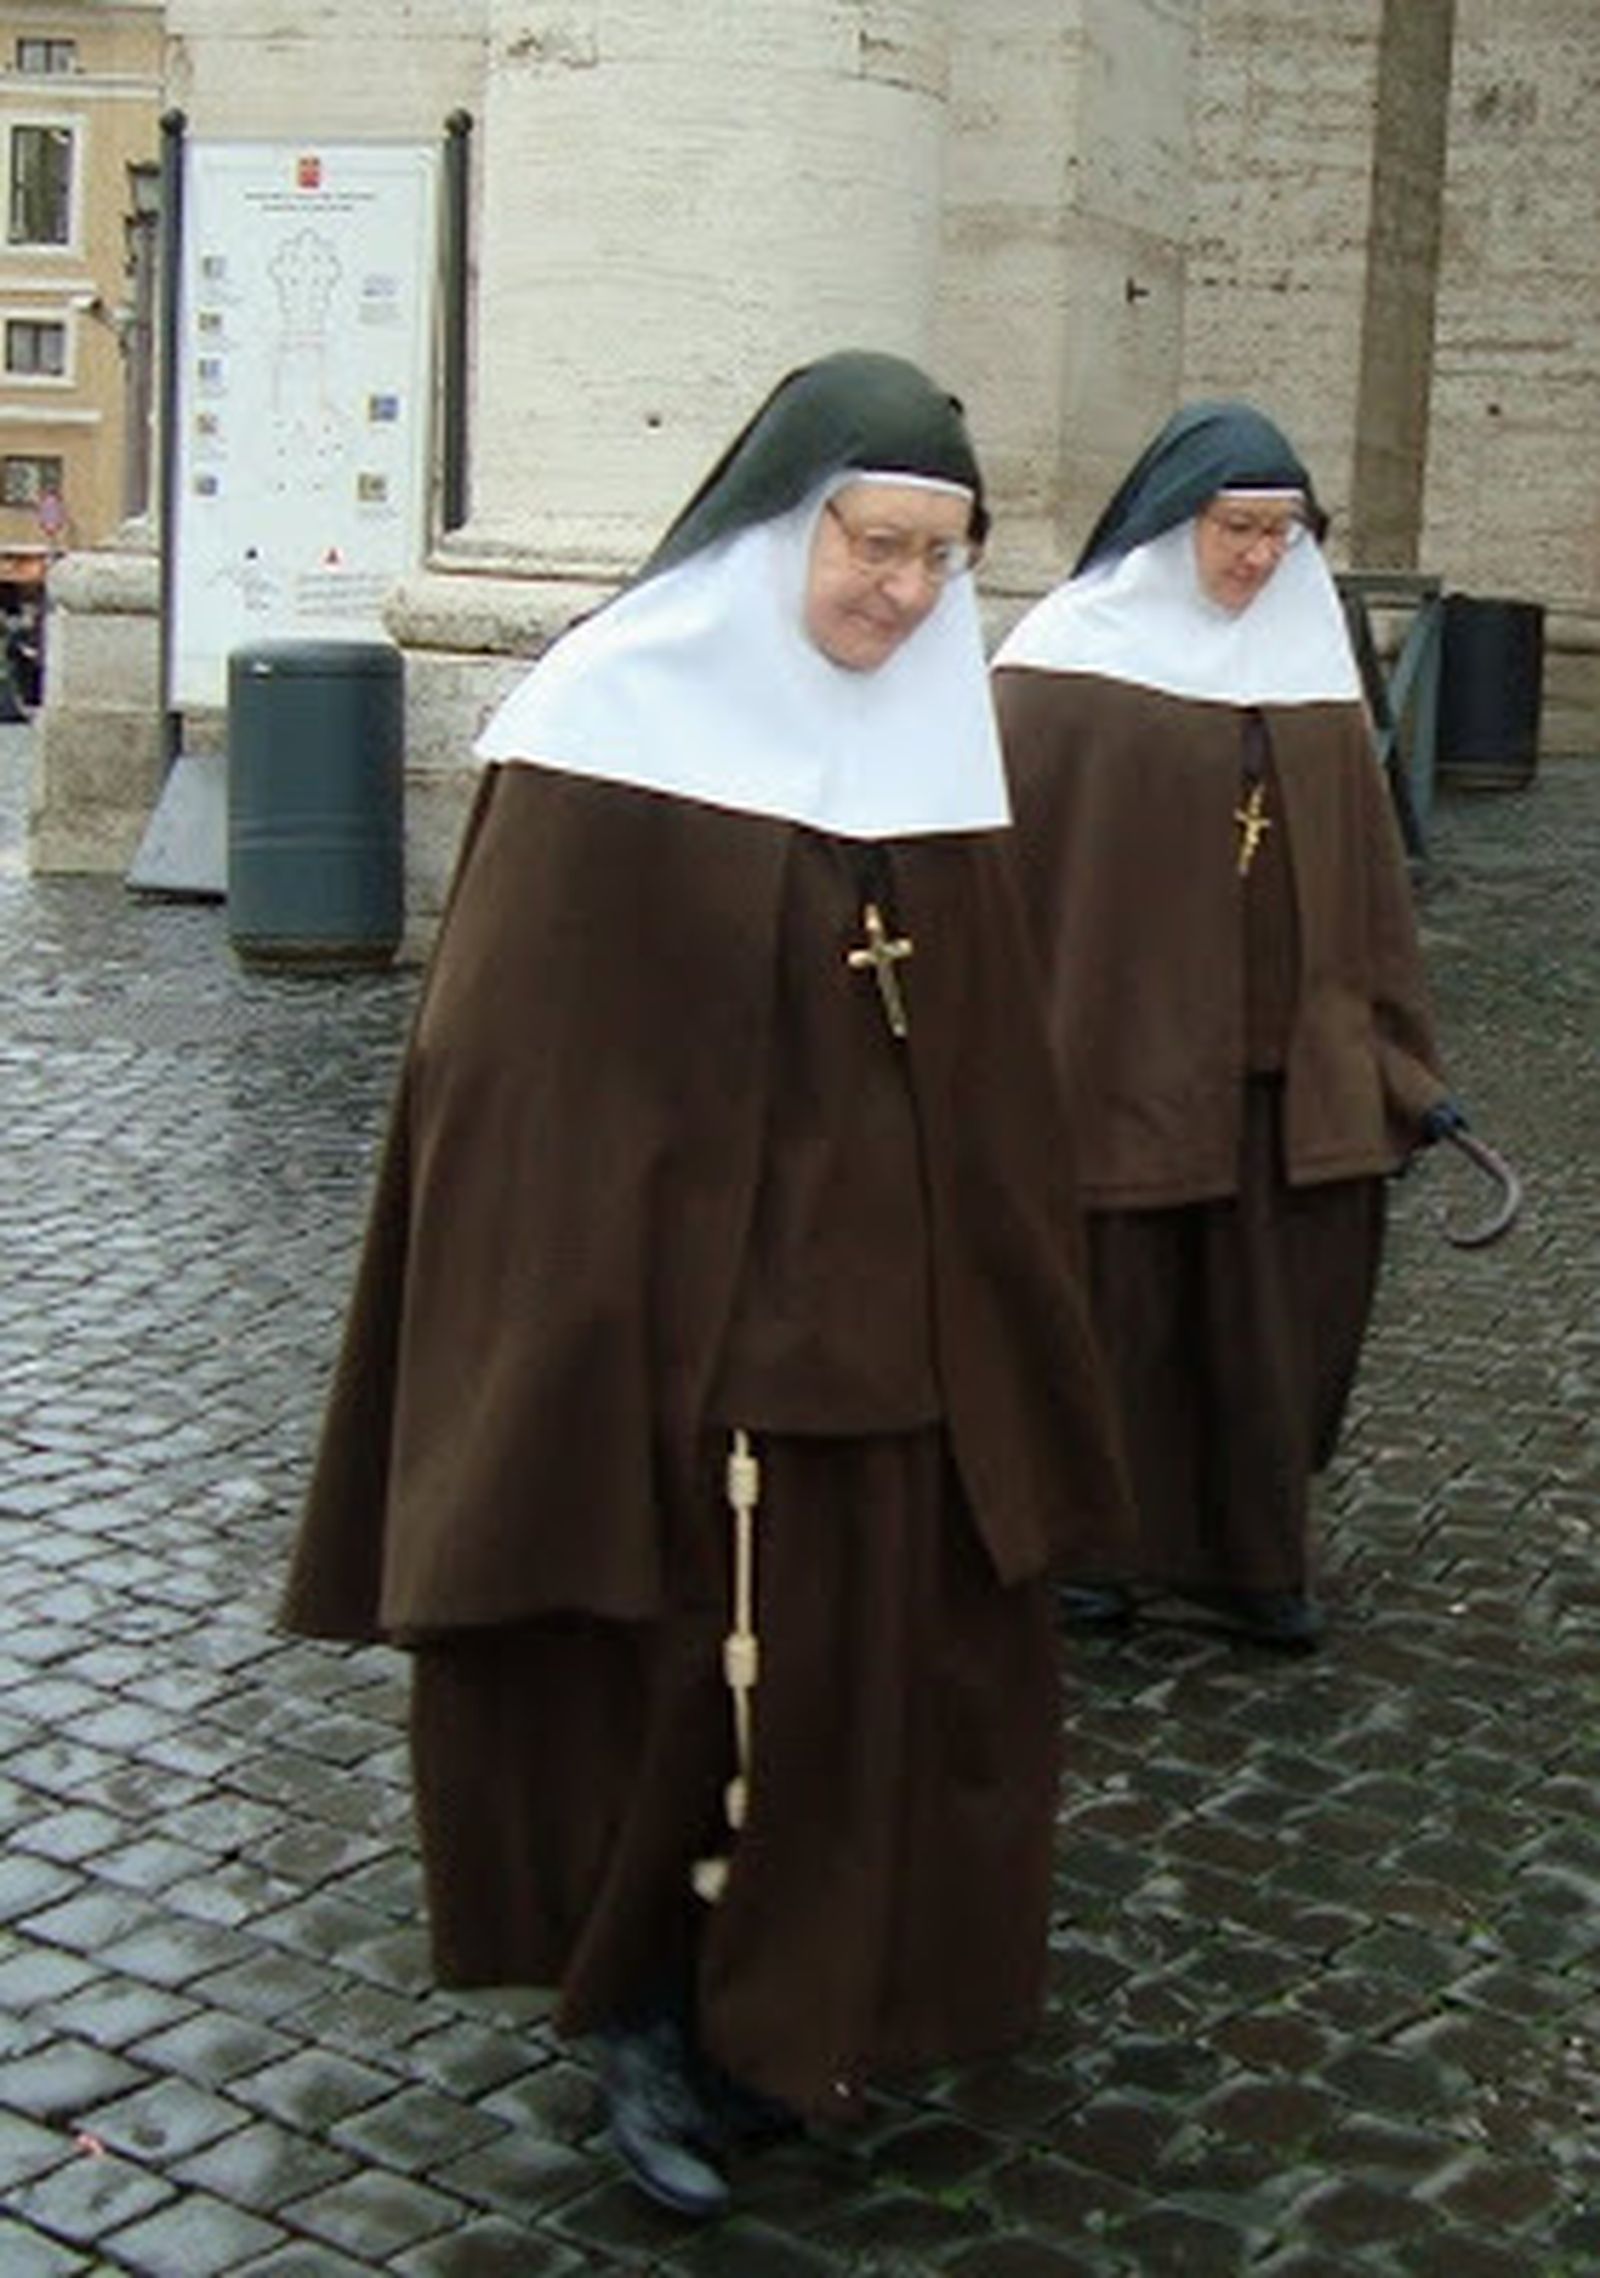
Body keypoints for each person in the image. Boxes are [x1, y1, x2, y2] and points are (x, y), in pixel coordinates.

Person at [281, 350, 1129, 2219]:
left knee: (864, 1671)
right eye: (872, 546)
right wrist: (616, 1301)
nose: (902, 595)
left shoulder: (932, 739)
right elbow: (504, 1082)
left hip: (890, 1327)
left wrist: (992, 1301)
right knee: (668, 1684)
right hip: (659, 1331)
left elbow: (989, 1082)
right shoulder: (607, 721)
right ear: (779, 528)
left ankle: (802, 1998)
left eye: (937, 558)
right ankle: (641, 2008)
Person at [992, 399, 1462, 1652]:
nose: (1258, 558)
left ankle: (1252, 1556)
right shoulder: (1061, 662)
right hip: (1114, 1060)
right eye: (1233, 529)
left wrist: (1398, 1063)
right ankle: (1086, 1553)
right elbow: (1003, 883)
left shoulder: (1308, 669)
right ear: (1170, 524)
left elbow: (1370, 901)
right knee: (1114, 1318)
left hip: (1281, 1072)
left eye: (1280, 533)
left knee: (1273, 1322)